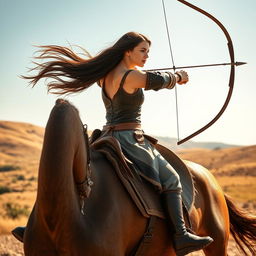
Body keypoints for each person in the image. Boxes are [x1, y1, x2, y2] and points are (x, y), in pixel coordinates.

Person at [13, 31, 213, 255]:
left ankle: (36, 225)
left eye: (148, 51)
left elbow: (148, 75)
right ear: (128, 51)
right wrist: (178, 77)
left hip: (106, 137)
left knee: (66, 173)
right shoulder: (131, 76)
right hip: (130, 140)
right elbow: (158, 81)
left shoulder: (106, 75)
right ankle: (181, 234)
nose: (147, 55)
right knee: (172, 179)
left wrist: (165, 75)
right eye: (142, 50)